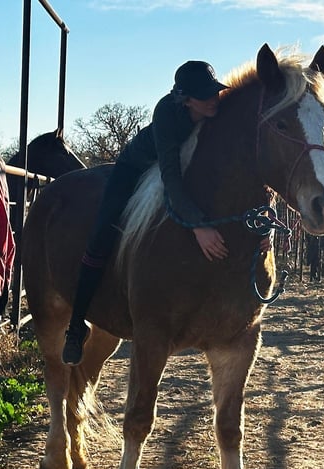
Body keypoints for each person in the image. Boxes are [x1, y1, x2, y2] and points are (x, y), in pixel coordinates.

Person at [61, 60, 231, 365]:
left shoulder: (216, 112)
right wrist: (197, 225)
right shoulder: (167, 112)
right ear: (186, 98)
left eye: (214, 91)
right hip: (136, 169)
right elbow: (170, 175)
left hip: (179, 171)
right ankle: (75, 327)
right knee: (101, 232)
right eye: (204, 95)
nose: (213, 98)